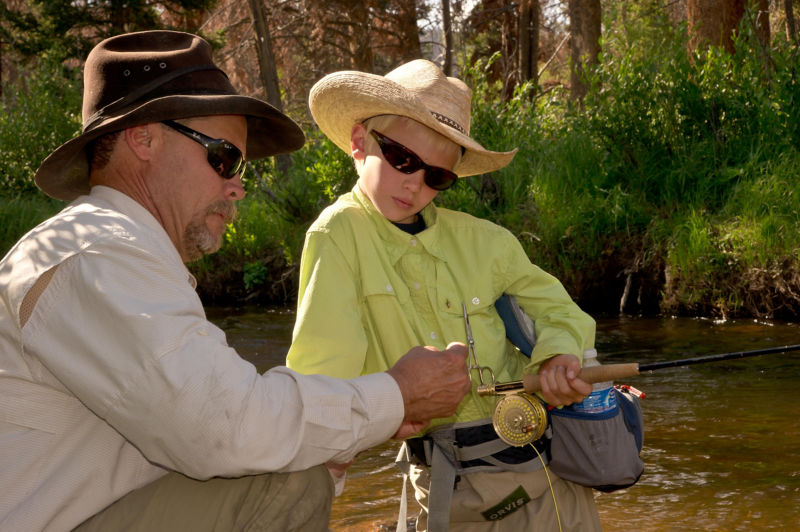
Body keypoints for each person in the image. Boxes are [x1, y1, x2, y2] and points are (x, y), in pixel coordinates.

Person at [0, 31, 472, 532]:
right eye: (224, 157)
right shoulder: (98, 254)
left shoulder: (108, 248)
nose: (238, 186)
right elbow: (224, 425)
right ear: (144, 138)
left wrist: (338, 435)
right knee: (289, 483)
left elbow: (204, 425)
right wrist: (397, 393)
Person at [286, 59, 602, 531]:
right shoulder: (335, 235)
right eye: (402, 159)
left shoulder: (488, 241)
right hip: (444, 494)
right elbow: (321, 377)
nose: (415, 183)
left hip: (547, 482)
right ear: (358, 143)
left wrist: (558, 358)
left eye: (437, 177)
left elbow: (562, 313)